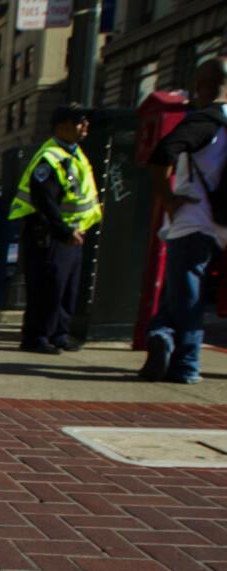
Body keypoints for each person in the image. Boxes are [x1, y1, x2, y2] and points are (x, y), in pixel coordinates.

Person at [140, 57, 227, 385]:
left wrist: (168, 197)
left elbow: (163, 153)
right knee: (180, 290)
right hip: (222, 224)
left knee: (187, 290)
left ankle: (184, 362)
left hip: (195, 219)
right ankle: (161, 333)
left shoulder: (205, 120)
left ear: (203, 87)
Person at [8, 104, 103, 354]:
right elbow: (44, 200)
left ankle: (59, 333)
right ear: (62, 126)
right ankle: (36, 336)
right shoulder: (49, 158)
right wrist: (62, 230)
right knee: (47, 287)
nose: (85, 127)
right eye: (79, 122)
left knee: (67, 288)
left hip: (71, 234)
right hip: (48, 235)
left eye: (85, 122)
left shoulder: (74, 154)